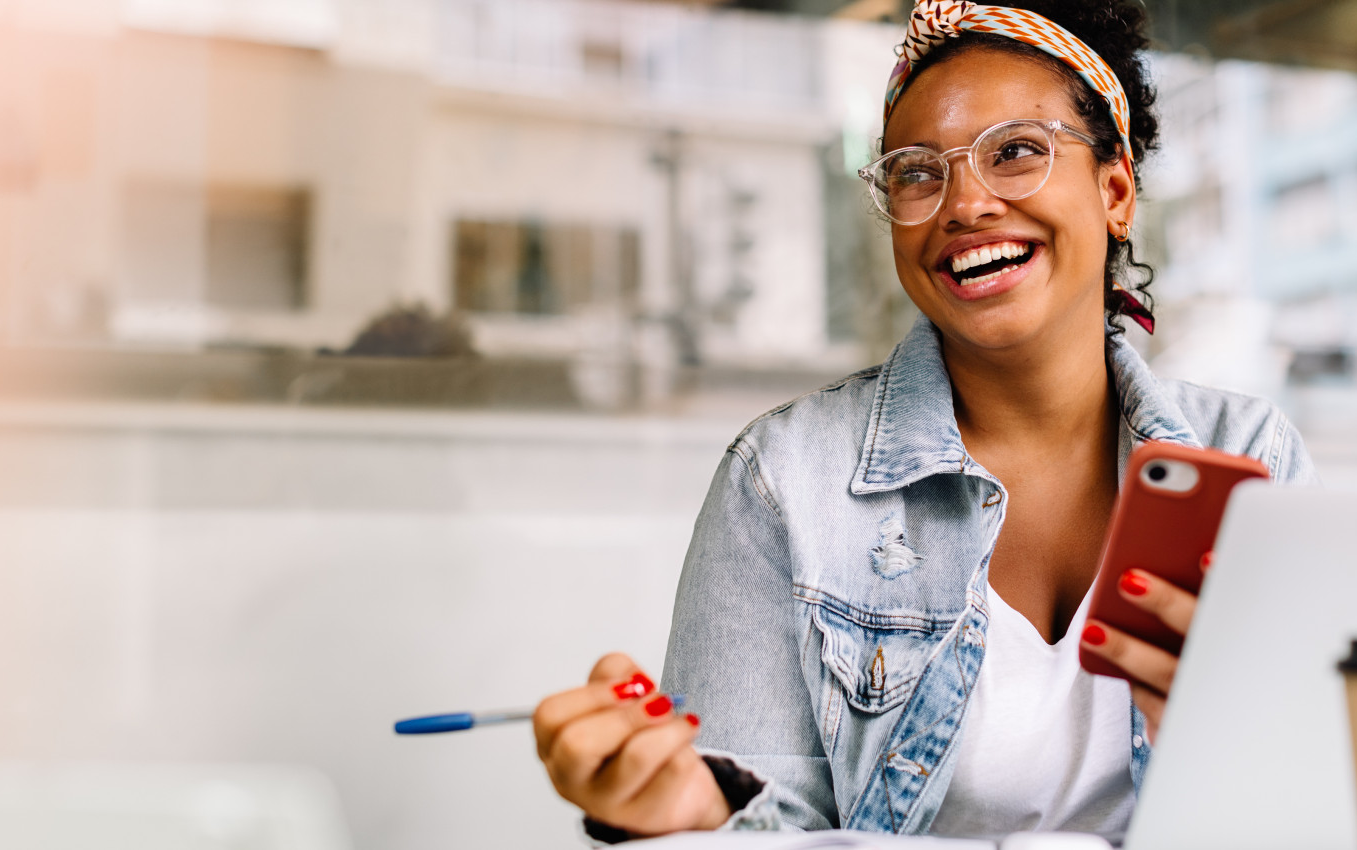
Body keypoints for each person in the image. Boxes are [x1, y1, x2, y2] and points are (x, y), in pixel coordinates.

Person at [531, 0, 1316, 842]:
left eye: (1016, 152)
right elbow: (753, 826)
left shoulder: (1249, 461)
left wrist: (1239, 744)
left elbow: (1321, 807)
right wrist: (682, 815)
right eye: (916, 171)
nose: (965, 203)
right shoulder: (784, 479)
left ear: (1115, 190)